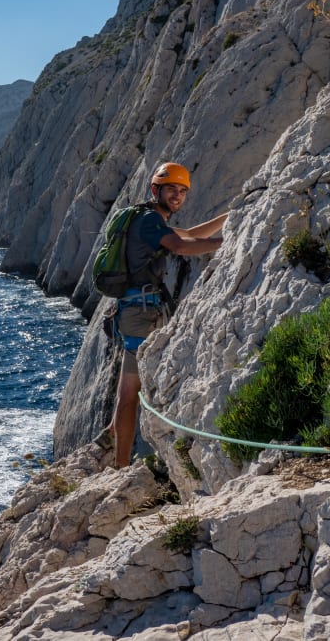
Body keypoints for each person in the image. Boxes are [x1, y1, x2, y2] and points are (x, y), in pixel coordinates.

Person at [99, 161, 227, 468]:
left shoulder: (149, 219)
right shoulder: (149, 221)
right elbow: (182, 246)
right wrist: (229, 242)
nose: (178, 196)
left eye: (183, 191)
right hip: (139, 314)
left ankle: (110, 434)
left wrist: (229, 219)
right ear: (156, 189)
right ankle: (121, 465)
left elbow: (189, 234)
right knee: (130, 394)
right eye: (172, 189)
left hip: (141, 310)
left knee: (130, 388)